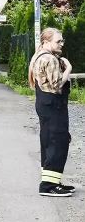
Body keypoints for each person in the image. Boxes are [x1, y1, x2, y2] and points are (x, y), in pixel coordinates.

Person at [28, 28, 74, 197]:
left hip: (44, 104)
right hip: (54, 105)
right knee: (58, 141)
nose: (61, 44)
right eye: (58, 41)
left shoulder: (38, 56)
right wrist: (68, 68)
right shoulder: (50, 59)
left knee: (48, 141)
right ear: (46, 41)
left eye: (62, 41)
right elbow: (57, 85)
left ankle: (52, 181)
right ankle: (48, 186)